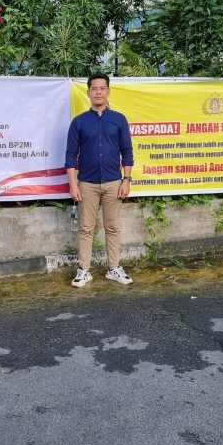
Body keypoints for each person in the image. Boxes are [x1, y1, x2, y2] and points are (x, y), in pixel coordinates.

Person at [65, 73, 134, 287]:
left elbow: (127, 151)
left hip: (114, 181)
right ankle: (84, 270)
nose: (98, 92)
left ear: (108, 91)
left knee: (113, 227)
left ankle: (114, 268)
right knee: (86, 228)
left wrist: (127, 180)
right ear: (88, 93)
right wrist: (73, 184)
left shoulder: (119, 119)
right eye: (94, 88)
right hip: (87, 183)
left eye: (102, 88)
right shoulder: (79, 122)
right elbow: (70, 154)